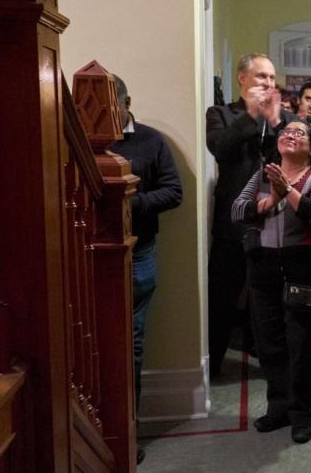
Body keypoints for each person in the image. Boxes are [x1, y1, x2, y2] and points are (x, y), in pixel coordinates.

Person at [231, 120, 311, 443]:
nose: (290, 134)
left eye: (300, 133)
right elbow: (237, 211)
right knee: (270, 343)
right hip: (263, 267)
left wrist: (288, 191)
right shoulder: (263, 174)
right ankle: (279, 407)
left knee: (302, 345)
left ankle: (303, 413)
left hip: (304, 267)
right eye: (286, 131)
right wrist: (271, 199)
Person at [206, 53, 298, 378]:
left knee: (270, 298)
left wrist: (275, 122)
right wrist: (251, 115)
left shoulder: (282, 117)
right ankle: (213, 364)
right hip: (233, 224)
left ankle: (268, 360)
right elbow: (221, 148)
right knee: (221, 298)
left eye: (272, 78)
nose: (269, 84)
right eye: (262, 77)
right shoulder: (220, 113)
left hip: (273, 222)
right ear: (242, 79)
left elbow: (298, 153)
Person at [109, 75, 182, 465]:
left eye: (110, 105)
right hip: (89, 253)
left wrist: (128, 203)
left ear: (126, 102)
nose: (103, 115)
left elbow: (174, 191)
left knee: (131, 344)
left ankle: (127, 429)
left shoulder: (150, 141)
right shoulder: (80, 138)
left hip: (139, 252)